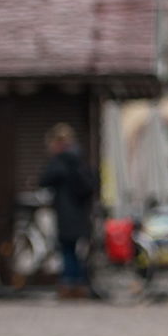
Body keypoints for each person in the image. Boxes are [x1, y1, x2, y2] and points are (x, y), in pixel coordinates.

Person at [40, 123, 97, 299]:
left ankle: (70, 284)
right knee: (75, 251)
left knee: (67, 250)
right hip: (81, 214)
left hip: (66, 214)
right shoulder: (79, 159)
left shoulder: (60, 161)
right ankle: (79, 284)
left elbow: (44, 180)